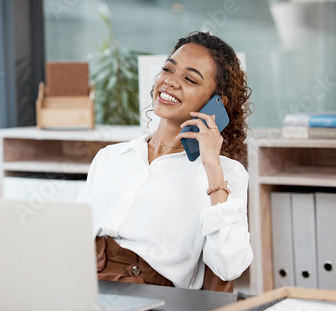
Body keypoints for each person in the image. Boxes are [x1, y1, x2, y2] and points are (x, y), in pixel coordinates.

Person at [76, 31, 254, 289]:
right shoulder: (110, 157)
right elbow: (73, 232)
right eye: (167, 70)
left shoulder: (226, 173)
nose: (170, 82)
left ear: (217, 102)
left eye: (190, 79)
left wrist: (213, 167)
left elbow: (229, 266)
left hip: (147, 292)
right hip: (81, 276)